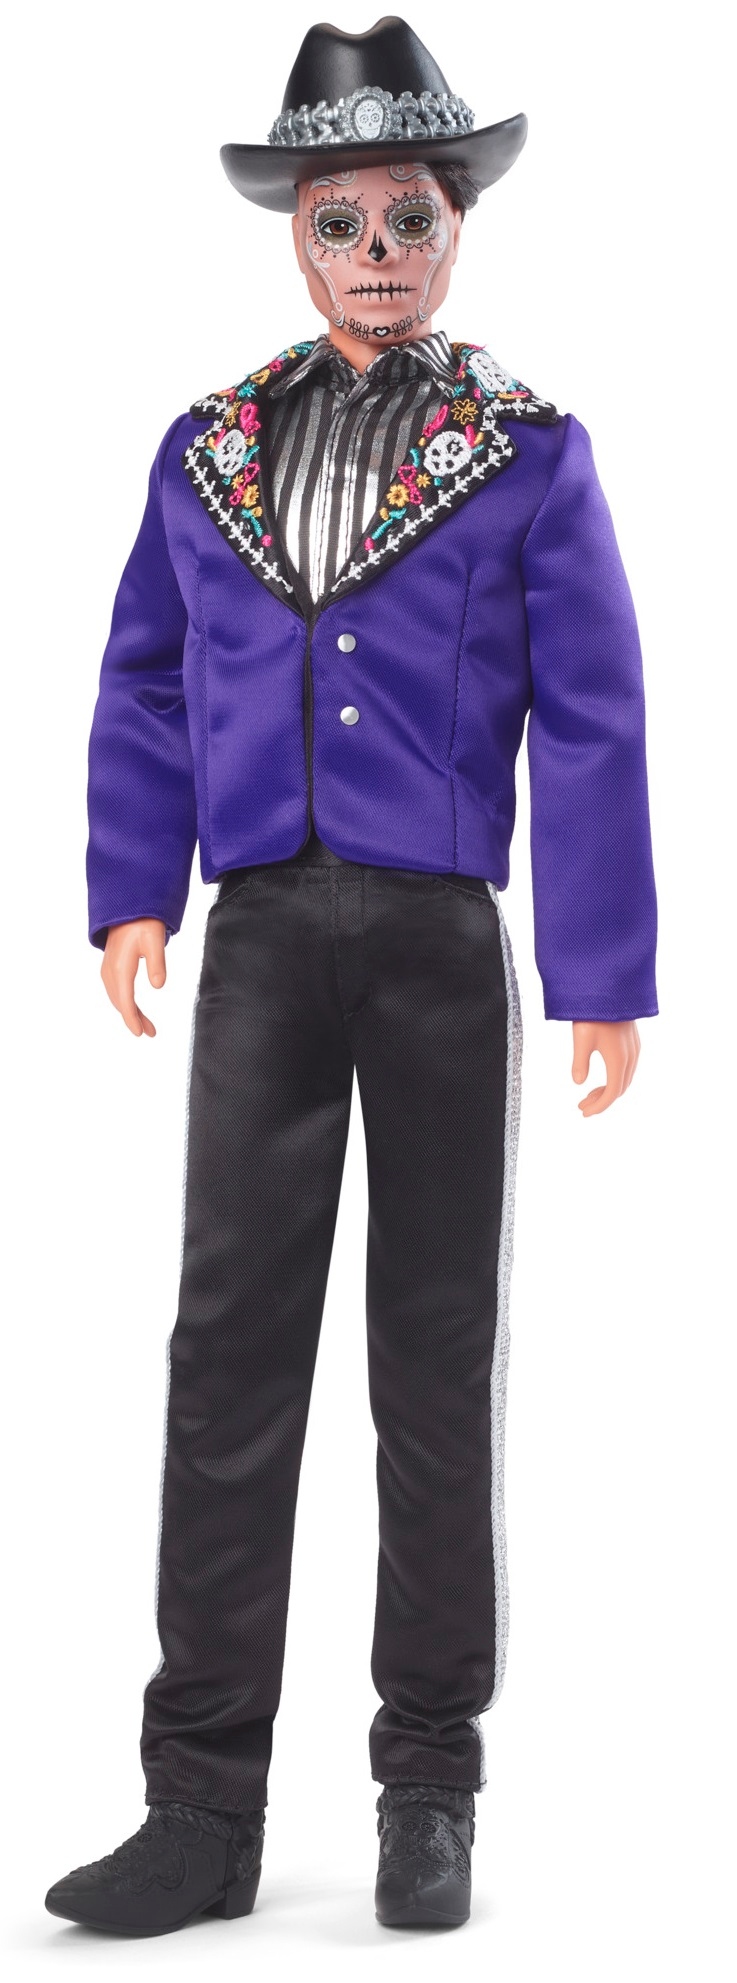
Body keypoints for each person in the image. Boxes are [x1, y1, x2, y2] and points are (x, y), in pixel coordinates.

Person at [45, 15, 658, 1938]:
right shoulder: (206, 450)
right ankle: (199, 1800)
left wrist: (602, 968)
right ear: (292, 236)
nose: (377, 252)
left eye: (408, 217)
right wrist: (133, 889)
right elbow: (146, 676)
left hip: (435, 940)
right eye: (339, 221)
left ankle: (429, 1780)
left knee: (430, 1357)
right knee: (226, 1349)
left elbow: (593, 715)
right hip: (258, 941)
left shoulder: (525, 452)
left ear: (458, 224)